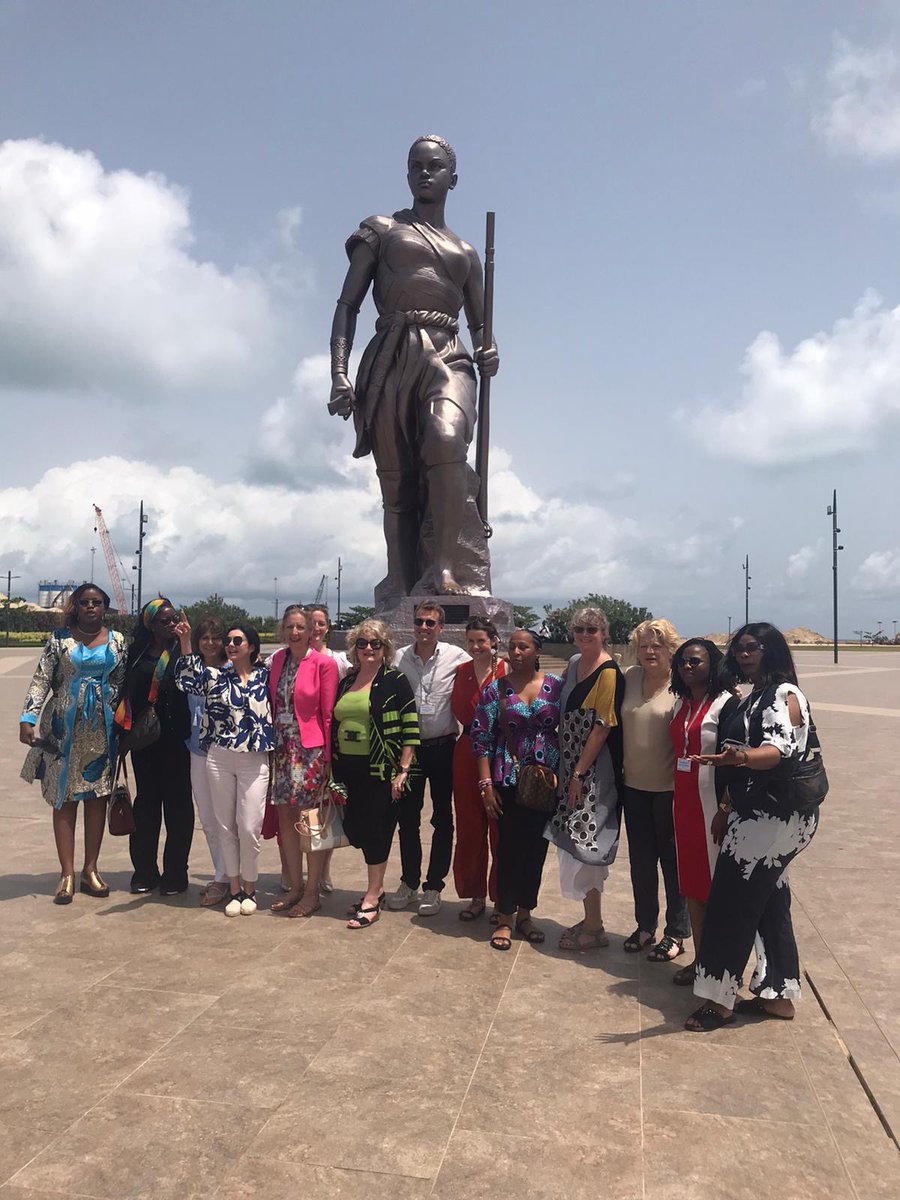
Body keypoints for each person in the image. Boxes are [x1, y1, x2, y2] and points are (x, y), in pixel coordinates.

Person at [328, 135, 499, 600]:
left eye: (436, 166)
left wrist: (490, 352)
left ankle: (443, 570)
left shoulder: (465, 254)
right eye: (416, 166)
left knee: (446, 441)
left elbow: (481, 328)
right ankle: (401, 578)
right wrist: (339, 372)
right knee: (398, 481)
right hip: (392, 353)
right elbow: (347, 305)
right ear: (407, 174)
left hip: (448, 354)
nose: (426, 173)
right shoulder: (381, 230)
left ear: (453, 179)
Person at [685, 624, 822, 1031]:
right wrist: (727, 805)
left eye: (753, 647)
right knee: (769, 902)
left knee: (730, 902)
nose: (743, 654)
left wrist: (739, 759)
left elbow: (776, 752)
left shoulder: (783, 694)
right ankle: (778, 995)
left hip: (773, 817)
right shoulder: (757, 694)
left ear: (772, 650)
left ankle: (718, 1000)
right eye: (739, 649)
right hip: (763, 813)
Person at [19, 583, 127, 903]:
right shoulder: (59, 641)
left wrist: (124, 722)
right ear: (75, 607)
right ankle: (66, 873)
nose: (91, 607)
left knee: (96, 799)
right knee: (64, 799)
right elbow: (41, 679)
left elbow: (121, 684)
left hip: (102, 732)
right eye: (84, 602)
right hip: (63, 731)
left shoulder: (119, 641)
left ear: (105, 607)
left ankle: (90, 870)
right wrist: (28, 717)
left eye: (96, 602)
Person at [174, 619, 273, 917]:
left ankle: (251, 887)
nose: (229, 646)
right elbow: (186, 679)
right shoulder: (217, 677)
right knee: (226, 827)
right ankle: (234, 888)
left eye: (237, 641)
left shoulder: (266, 677)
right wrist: (186, 641)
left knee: (249, 826)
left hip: (254, 760)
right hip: (219, 757)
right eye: (228, 641)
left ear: (252, 647)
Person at [472, 630, 563, 951]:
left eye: (523, 646)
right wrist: (486, 786)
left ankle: (526, 913)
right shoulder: (496, 690)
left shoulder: (556, 687)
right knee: (509, 849)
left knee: (537, 850)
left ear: (537, 650)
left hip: (544, 783)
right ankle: (505, 916)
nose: (516, 651)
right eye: (512, 647)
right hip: (507, 780)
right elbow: (481, 738)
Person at [331, 619, 419, 930]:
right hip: (349, 769)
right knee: (356, 828)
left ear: (385, 649)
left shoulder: (395, 680)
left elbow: (410, 726)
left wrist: (403, 770)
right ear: (354, 649)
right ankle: (376, 889)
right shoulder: (346, 682)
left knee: (377, 831)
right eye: (362, 643)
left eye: (375, 644)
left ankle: (371, 896)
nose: (368, 648)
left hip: (381, 769)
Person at [545, 608, 624, 951]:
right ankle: (591, 918)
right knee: (573, 843)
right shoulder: (575, 662)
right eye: (579, 628)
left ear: (603, 632)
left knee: (587, 842)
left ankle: (595, 927)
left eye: (592, 628)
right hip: (569, 766)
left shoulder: (608, 673)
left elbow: (601, 728)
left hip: (592, 771)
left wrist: (578, 774)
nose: (585, 633)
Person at [667, 639, 739, 986]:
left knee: (718, 889)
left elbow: (739, 762)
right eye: (682, 662)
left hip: (713, 808)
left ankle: (723, 967)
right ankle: (701, 961)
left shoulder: (727, 704)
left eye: (695, 661)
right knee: (693, 885)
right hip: (684, 806)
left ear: (714, 663)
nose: (688, 667)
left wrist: (725, 808)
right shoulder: (682, 703)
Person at [390, 602, 469, 915]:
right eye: (420, 622)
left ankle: (434, 886)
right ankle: (409, 880)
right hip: (409, 749)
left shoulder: (456, 657)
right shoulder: (399, 657)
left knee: (442, 818)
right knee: (407, 819)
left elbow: (485, 669)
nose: (424, 628)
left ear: (441, 627)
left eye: (430, 623)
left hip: (443, 746)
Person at [620, 618, 689, 960]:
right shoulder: (630, 677)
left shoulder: (682, 685)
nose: (650, 651)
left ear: (670, 650)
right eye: (644, 645)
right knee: (641, 863)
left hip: (670, 791)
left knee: (673, 865)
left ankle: (676, 932)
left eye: (657, 645)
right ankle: (645, 925)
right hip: (633, 788)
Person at [267, 605, 338, 918]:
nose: (294, 633)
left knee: (311, 821)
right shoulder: (278, 660)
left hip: (310, 750)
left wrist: (328, 760)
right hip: (281, 748)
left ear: (312, 631)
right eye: (289, 627)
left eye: (300, 627)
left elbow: (328, 714)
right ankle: (295, 886)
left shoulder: (324, 663)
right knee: (286, 818)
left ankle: (312, 891)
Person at [121, 597, 192, 896]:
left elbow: (194, 682)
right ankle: (145, 872)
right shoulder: (136, 653)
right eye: (164, 620)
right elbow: (124, 691)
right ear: (149, 624)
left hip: (178, 740)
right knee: (146, 806)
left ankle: (176, 873)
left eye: (174, 617)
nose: (172, 623)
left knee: (178, 808)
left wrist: (187, 643)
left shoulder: (184, 650)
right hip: (145, 741)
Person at [450, 617, 508, 922]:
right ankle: (475, 894)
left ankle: (501, 896)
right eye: (470, 641)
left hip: (499, 753)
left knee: (499, 826)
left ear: (494, 640)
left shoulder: (506, 670)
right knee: (470, 826)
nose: (475, 647)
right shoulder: (461, 671)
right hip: (467, 750)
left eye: (481, 641)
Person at [179, 617, 229, 906]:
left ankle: (235, 876)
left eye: (216, 637)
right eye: (205, 637)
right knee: (209, 819)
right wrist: (185, 641)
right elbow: (187, 671)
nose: (210, 643)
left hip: (225, 752)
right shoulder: (194, 670)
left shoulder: (232, 669)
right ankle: (221, 875)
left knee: (230, 819)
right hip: (198, 751)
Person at [308, 603, 351, 894]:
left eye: (320, 623)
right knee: (303, 813)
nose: (315, 629)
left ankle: (323, 870)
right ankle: (298, 872)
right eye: (310, 623)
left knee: (326, 811)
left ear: (327, 627)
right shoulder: (287, 658)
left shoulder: (338, 661)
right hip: (301, 745)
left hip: (329, 742)